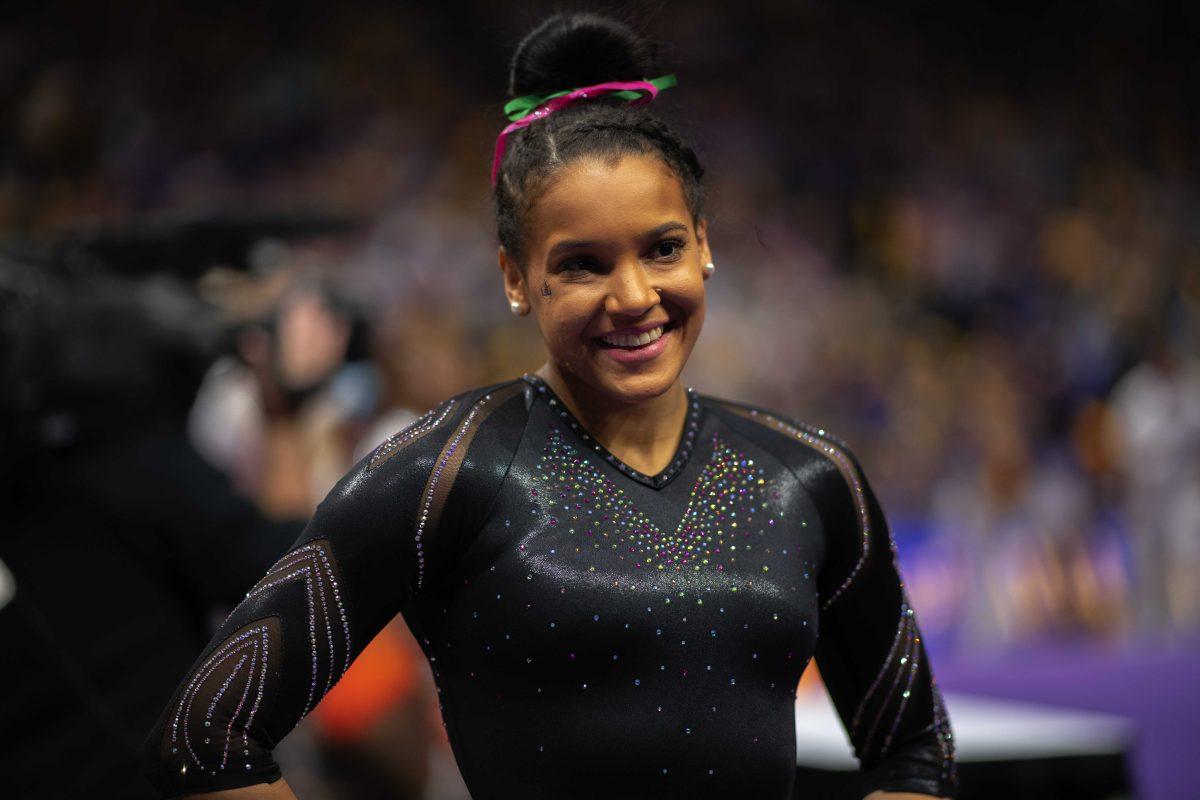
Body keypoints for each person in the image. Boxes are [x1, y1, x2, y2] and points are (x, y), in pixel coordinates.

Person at [144, 13, 957, 799]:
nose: (634, 296)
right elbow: (205, 736)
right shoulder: (446, 474)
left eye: (662, 247)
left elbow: (916, 749)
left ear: (705, 244)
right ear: (513, 277)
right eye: (581, 264)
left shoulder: (809, 476)